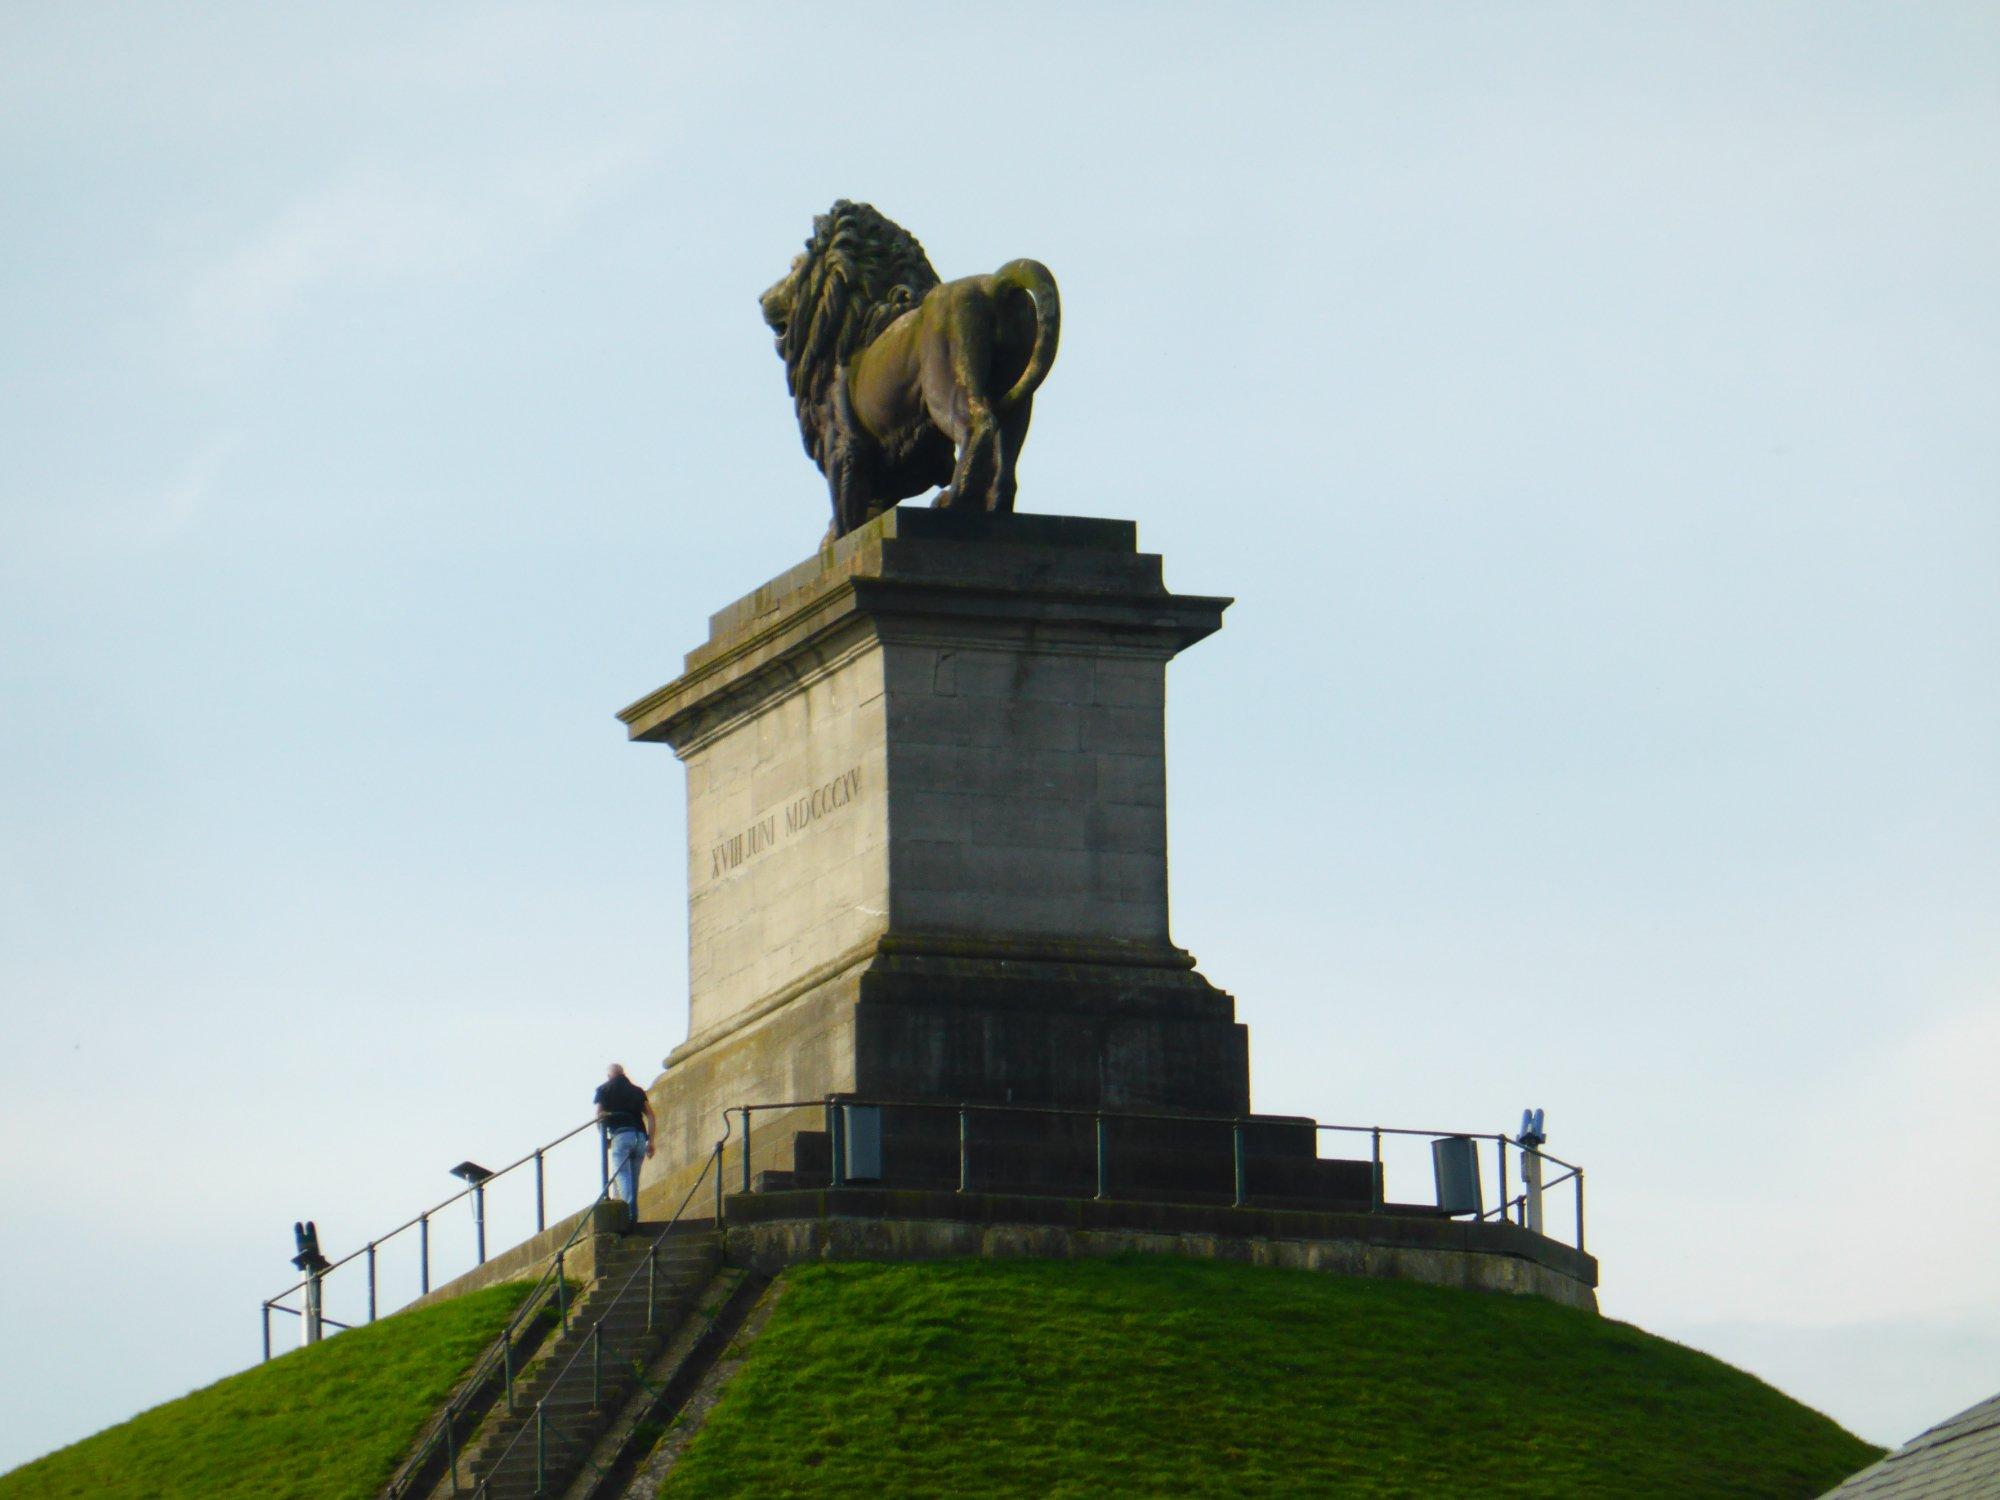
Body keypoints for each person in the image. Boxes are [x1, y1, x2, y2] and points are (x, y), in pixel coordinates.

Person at [593, 1063, 656, 1225]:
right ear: (623, 1073)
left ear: (609, 1076)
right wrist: (651, 1141)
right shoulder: (637, 1090)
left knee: (622, 1176)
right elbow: (650, 1115)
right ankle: (632, 1217)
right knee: (633, 1179)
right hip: (640, 1137)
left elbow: (598, 1116)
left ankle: (626, 1215)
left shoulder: (603, 1090)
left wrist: (604, 1138)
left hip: (620, 1136)